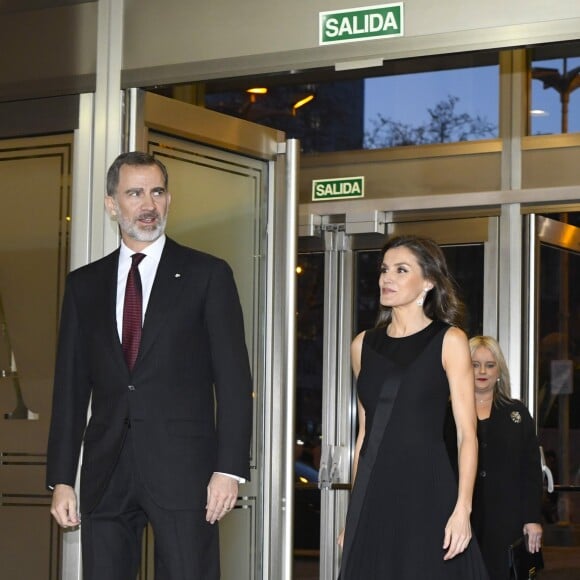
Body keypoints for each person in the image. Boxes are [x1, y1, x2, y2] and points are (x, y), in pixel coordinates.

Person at [46, 151, 253, 579]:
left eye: (156, 192)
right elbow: (69, 389)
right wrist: (62, 478)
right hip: (106, 472)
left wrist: (228, 469)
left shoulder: (207, 274)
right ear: (111, 204)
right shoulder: (83, 285)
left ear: (169, 200)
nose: (148, 204)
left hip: (186, 472)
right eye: (135, 193)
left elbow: (233, 380)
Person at [338, 235, 488, 579]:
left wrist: (462, 509)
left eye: (401, 270)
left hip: (427, 491)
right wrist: (353, 516)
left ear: (429, 281)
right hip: (375, 493)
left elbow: (468, 435)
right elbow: (365, 435)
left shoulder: (449, 340)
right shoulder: (363, 344)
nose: (386, 278)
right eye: (384, 269)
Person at [469, 335, 543, 580]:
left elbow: (530, 472)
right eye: (474, 364)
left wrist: (532, 519)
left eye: (489, 365)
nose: (482, 371)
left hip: (506, 522)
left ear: (498, 370)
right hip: (459, 520)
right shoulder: (447, 414)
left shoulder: (517, 414)